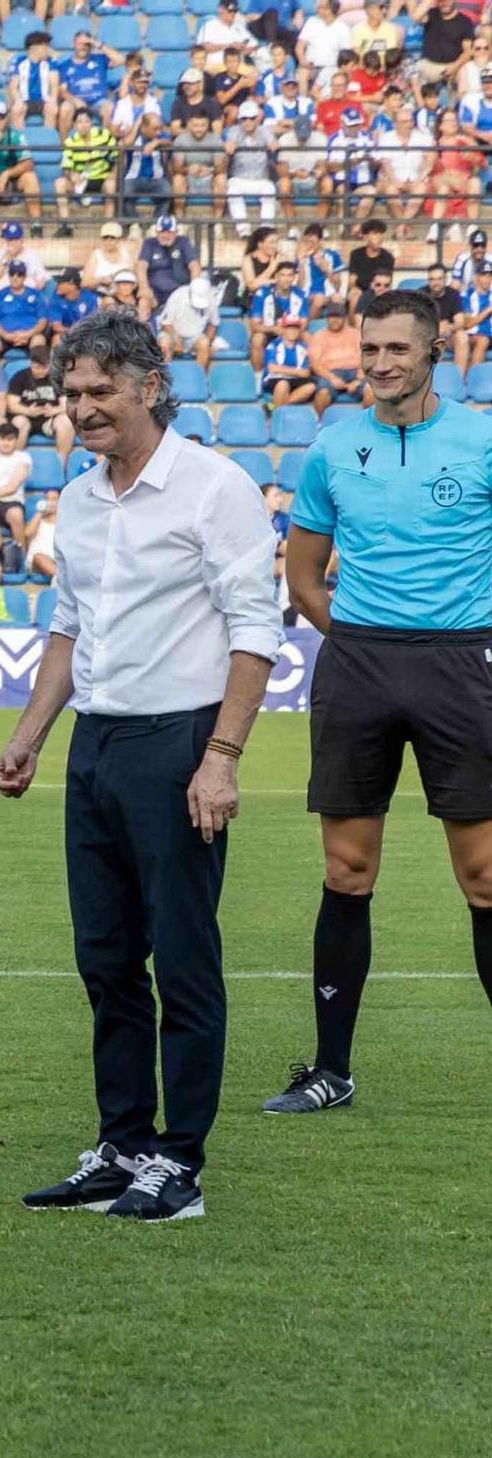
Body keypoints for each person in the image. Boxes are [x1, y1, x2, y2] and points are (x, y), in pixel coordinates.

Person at [0, 311, 279, 1221]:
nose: (82, 409)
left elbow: (254, 629)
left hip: (180, 742)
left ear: (150, 386)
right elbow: (68, 627)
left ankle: (180, 1165)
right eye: (71, 394)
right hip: (98, 745)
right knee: (106, 960)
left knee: (185, 960)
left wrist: (222, 757)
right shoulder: (79, 499)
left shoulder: (214, 487)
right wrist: (32, 736)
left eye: (99, 391)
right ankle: (121, 1144)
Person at [258, 290, 492, 1115]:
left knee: (486, 876)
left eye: (399, 349)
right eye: (371, 349)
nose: (382, 363)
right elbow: (303, 567)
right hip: (359, 667)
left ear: (435, 351)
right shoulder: (332, 446)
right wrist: (355, 635)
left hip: (464, 666)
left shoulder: (482, 438)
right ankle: (330, 1069)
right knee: (347, 870)